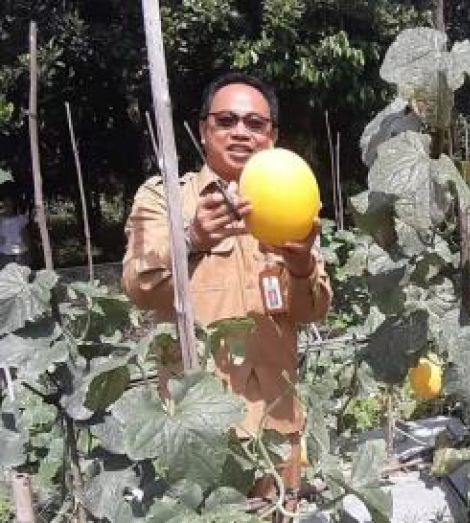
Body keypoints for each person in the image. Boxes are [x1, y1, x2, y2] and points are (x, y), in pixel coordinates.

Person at [122, 72, 332, 498]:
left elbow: (313, 311)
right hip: (201, 430)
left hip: (277, 427)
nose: (240, 132)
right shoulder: (164, 199)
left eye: (255, 124)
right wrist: (191, 239)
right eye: (226, 120)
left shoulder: (293, 204)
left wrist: (299, 265)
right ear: (204, 130)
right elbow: (137, 285)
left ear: (272, 136)